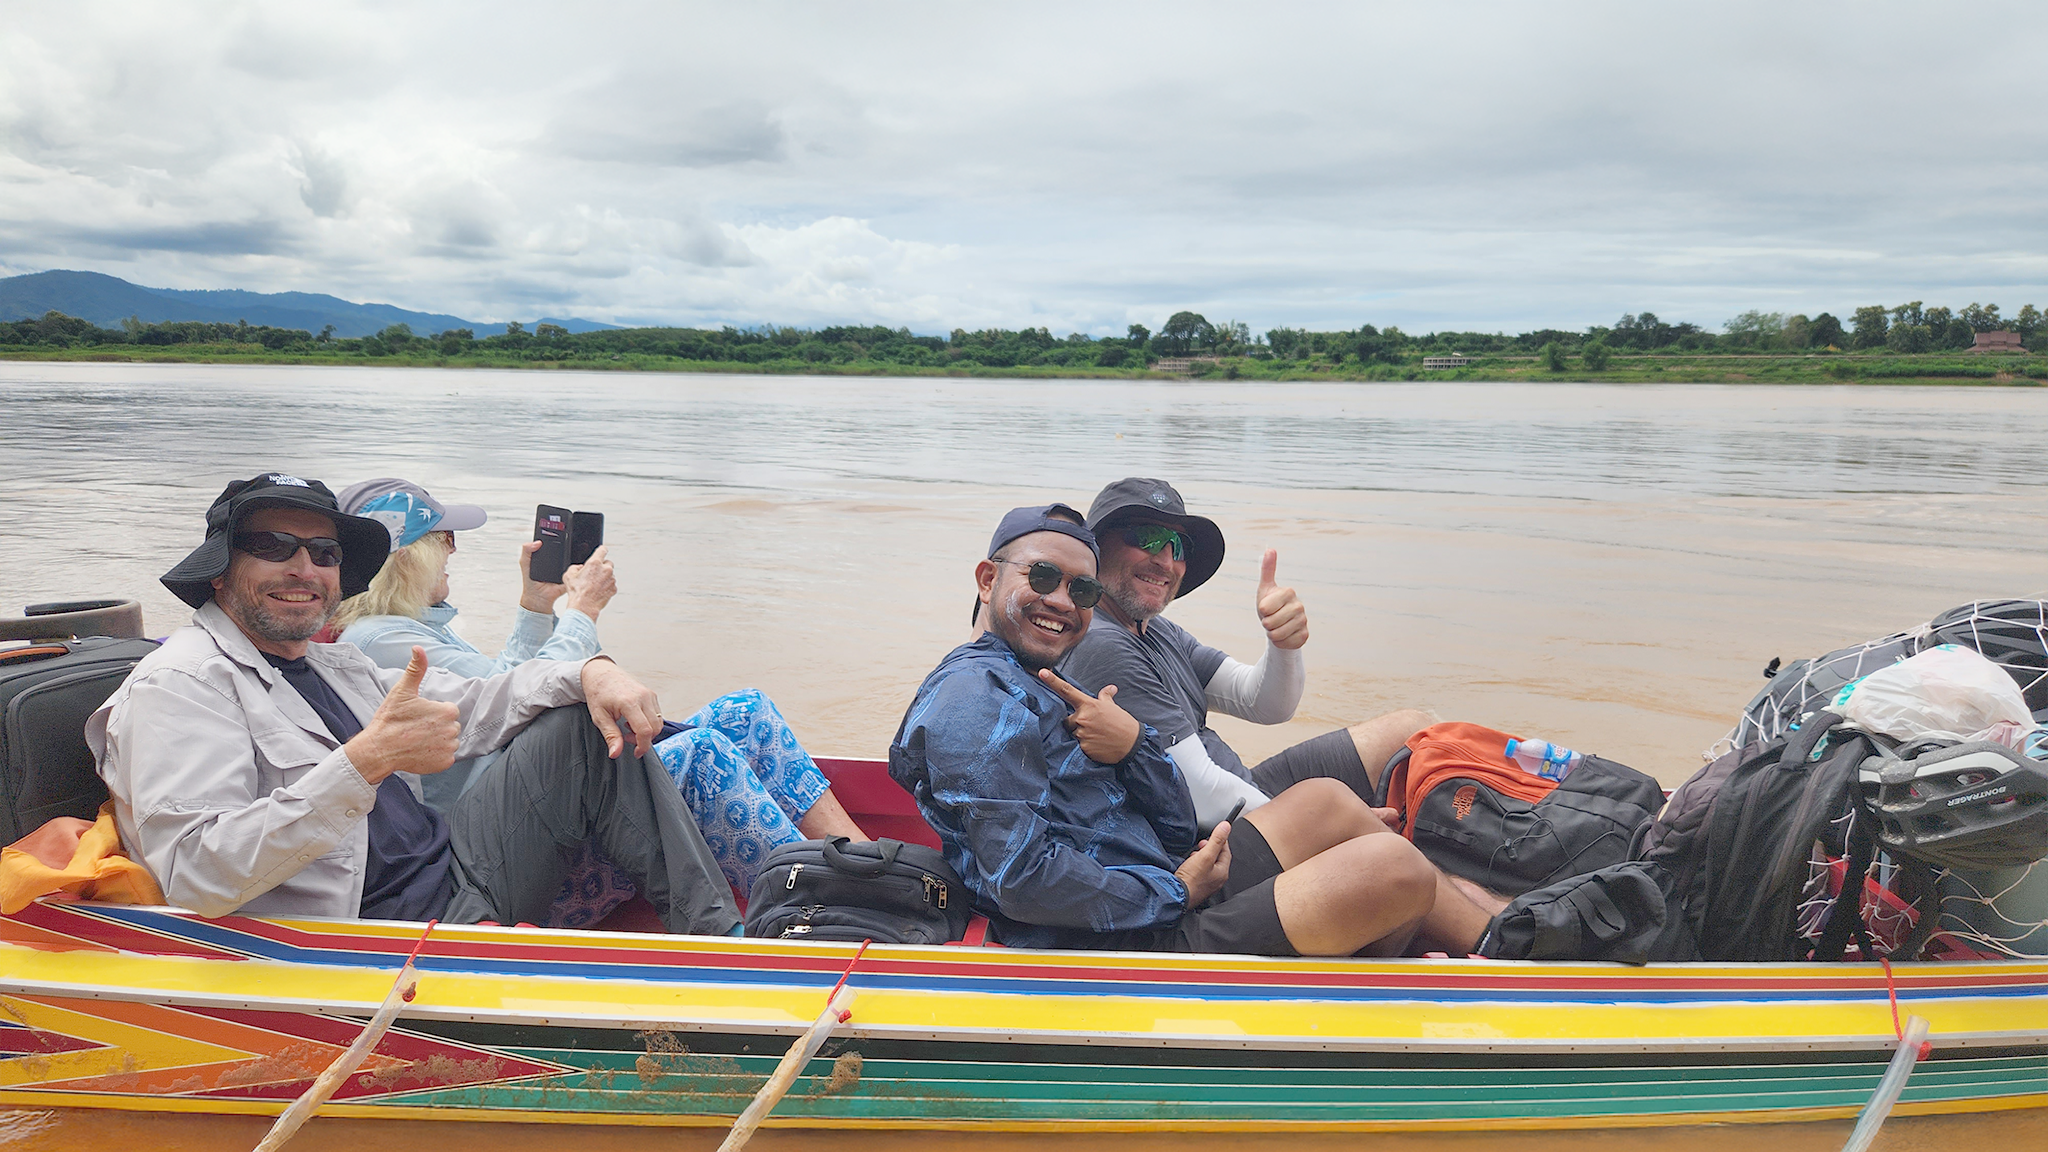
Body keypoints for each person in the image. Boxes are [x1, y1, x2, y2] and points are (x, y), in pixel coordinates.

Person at [87, 471, 738, 934]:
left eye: (324, 552)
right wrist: (364, 762)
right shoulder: (181, 685)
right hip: (373, 934)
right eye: (274, 547)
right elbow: (200, 877)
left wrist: (592, 671)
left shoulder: (334, 661)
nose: (304, 569)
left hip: (457, 870)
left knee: (579, 720)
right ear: (221, 569)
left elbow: (483, 702)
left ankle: (726, 949)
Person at [889, 504, 1496, 956]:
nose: (1064, 601)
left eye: (1082, 589)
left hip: (1162, 877)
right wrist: (1176, 891)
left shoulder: (1040, 678)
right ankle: (1510, 957)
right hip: (1121, 938)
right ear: (989, 580)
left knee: (1326, 804)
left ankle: (1491, 932)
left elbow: (1177, 815)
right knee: (1395, 870)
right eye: (1042, 578)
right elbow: (1021, 881)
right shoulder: (976, 701)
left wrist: (1132, 748)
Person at [331, 477, 865, 897]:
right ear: (405, 556)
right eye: (443, 538)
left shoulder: (415, 630)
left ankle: (864, 866)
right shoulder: (381, 643)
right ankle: (829, 905)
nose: (453, 551)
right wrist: (581, 612)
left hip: (546, 803)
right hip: (515, 851)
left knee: (745, 712)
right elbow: (530, 700)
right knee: (699, 757)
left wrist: (538, 605)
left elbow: (507, 686)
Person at [1060, 477, 1434, 830]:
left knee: (1413, 730)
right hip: (1210, 835)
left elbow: (1265, 703)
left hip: (1245, 793)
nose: (1166, 560)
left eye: (1179, 546)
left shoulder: (1156, 630)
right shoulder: (1102, 644)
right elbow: (1202, 796)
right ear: (1095, 550)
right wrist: (1335, 824)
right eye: (1148, 537)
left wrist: (1283, 645)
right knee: (1391, 854)